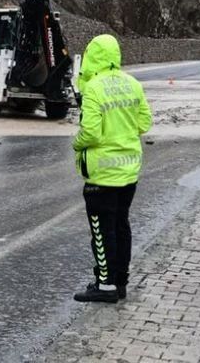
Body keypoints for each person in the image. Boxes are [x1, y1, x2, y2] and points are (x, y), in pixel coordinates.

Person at [72, 34, 152, 303]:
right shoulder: (133, 84)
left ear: (92, 56)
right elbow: (144, 123)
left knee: (101, 230)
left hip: (102, 174)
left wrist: (76, 143)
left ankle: (105, 285)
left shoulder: (94, 88)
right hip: (129, 171)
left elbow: (91, 133)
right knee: (121, 226)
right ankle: (120, 282)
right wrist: (122, 131)